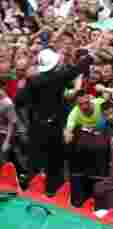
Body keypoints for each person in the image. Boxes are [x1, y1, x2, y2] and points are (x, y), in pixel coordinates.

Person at [16, 48, 94, 194]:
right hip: (54, 128)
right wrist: (90, 56)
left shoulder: (33, 81)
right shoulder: (58, 77)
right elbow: (78, 69)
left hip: (36, 127)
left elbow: (19, 101)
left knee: (35, 162)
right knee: (55, 163)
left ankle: (31, 192)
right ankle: (53, 193)